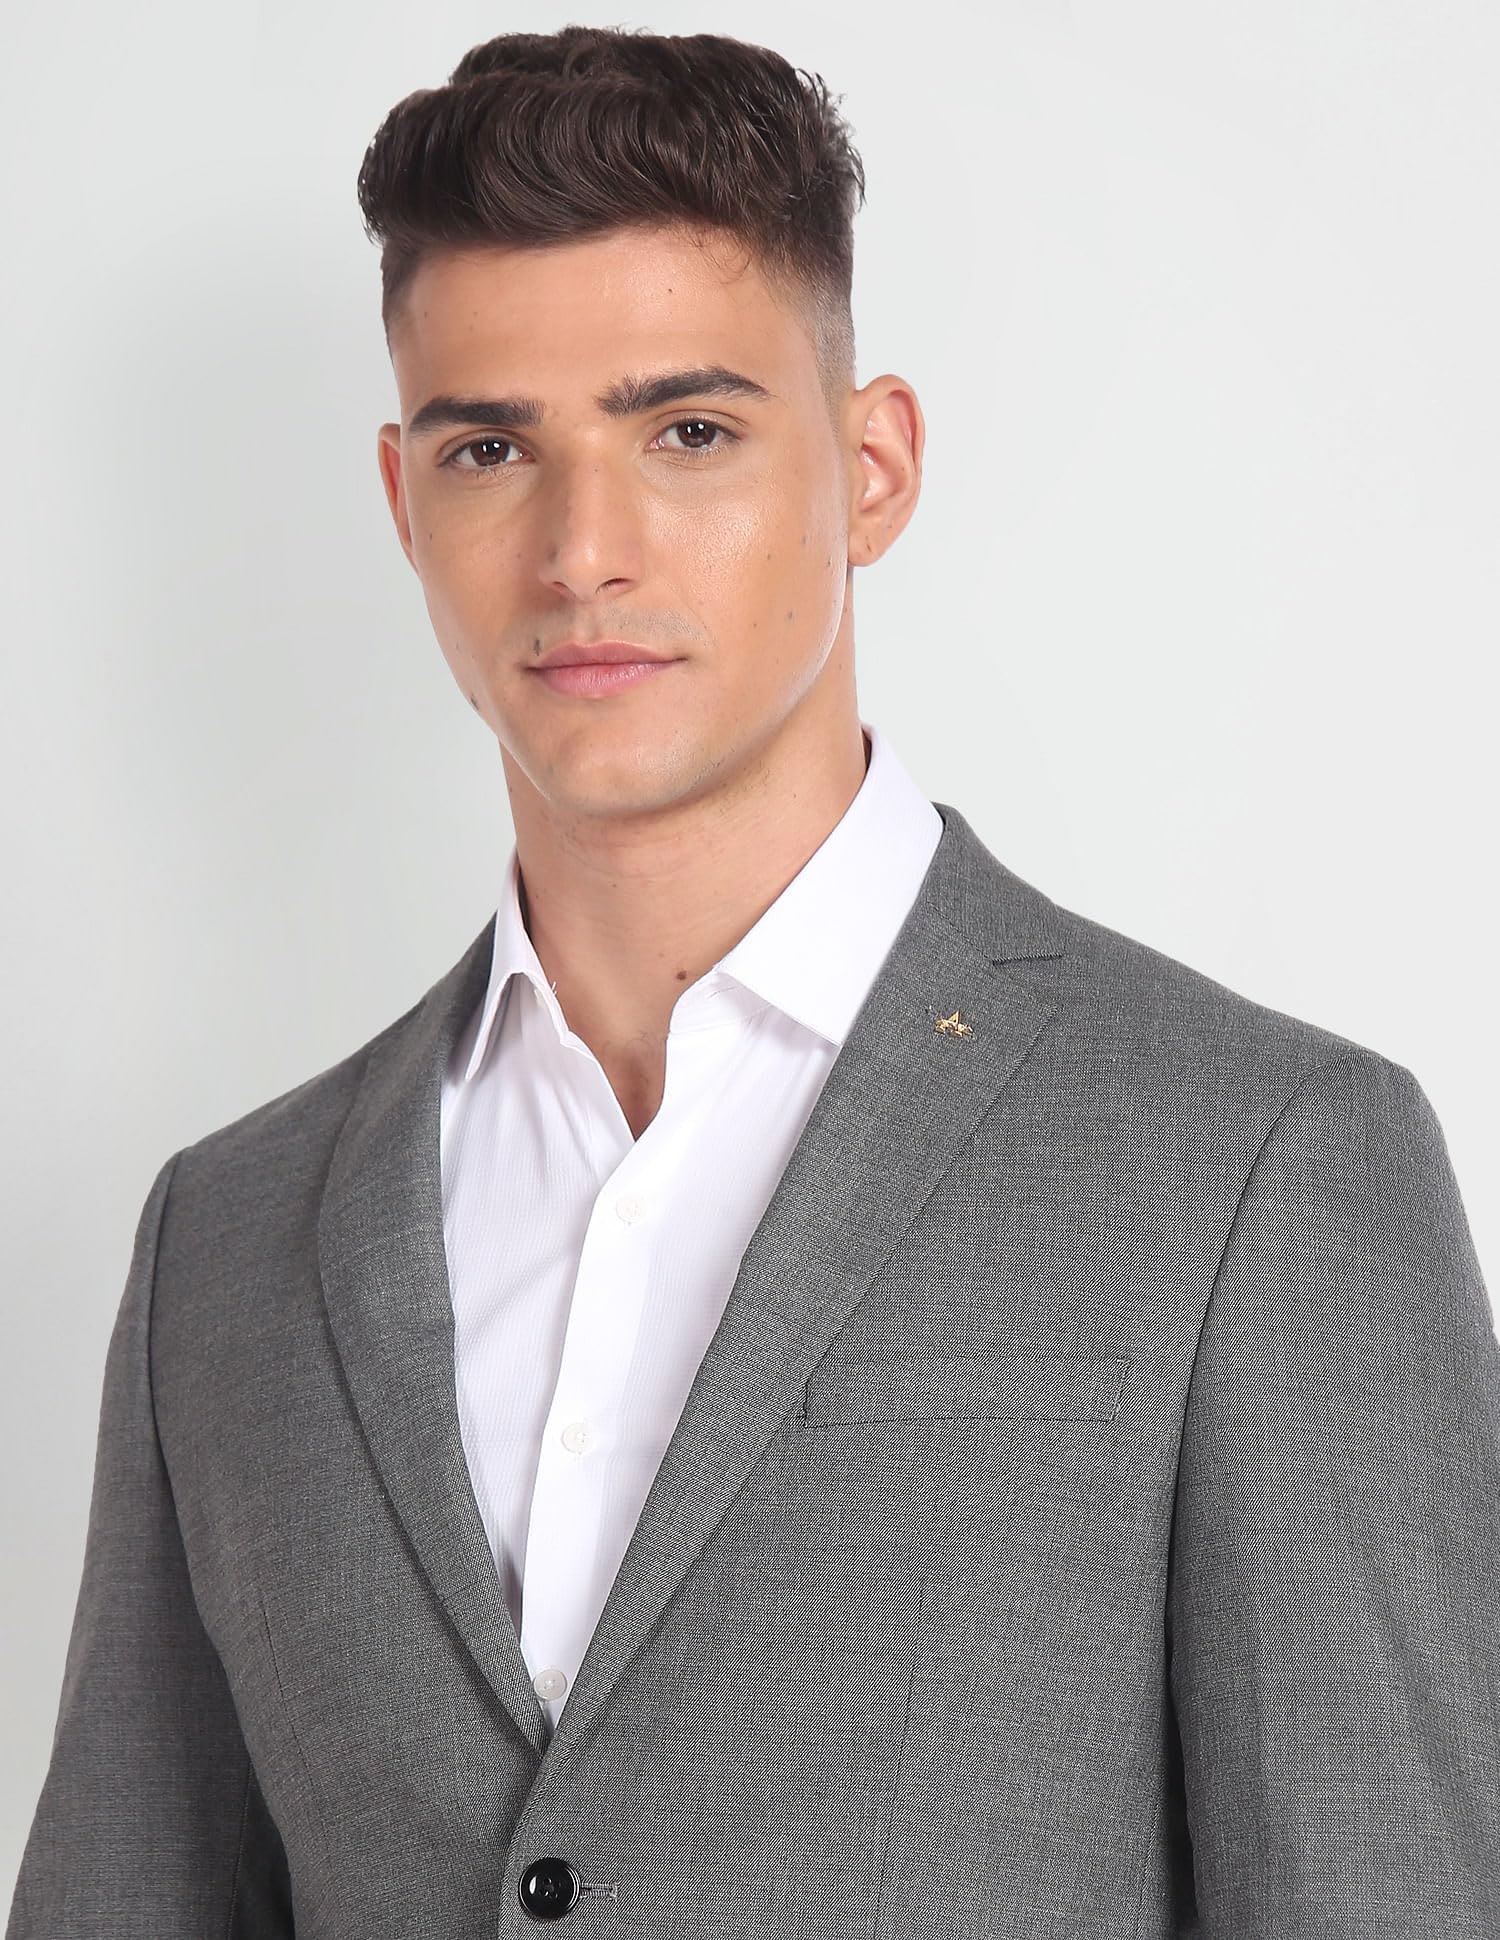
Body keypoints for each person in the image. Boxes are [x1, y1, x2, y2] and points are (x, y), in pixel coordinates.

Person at [9, 24, 1498, 1940]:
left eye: (688, 432)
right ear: (403, 502)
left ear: (871, 469)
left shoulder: (1258, 1162)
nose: (583, 551)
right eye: (490, 450)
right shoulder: (229, 1240)